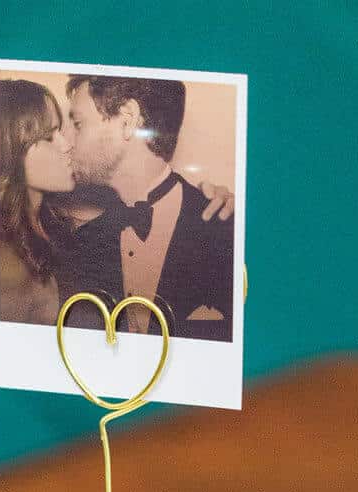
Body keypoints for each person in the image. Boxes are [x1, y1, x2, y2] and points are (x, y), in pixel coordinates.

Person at [59, 74, 235, 341]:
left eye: (78, 124)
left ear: (128, 120)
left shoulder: (229, 231)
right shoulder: (81, 244)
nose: (67, 142)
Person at [0, 79, 76, 326]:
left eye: (60, 131)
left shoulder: (55, 226)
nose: (66, 145)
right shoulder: (2, 261)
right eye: (50, 136)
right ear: (11, 148)